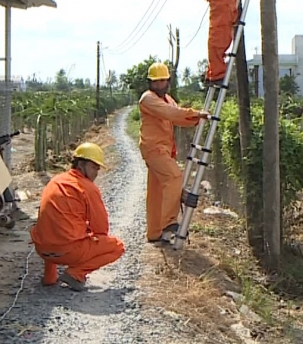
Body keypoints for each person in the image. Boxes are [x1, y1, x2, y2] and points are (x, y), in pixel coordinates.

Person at [30, 143, 124, 292]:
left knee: (54, 229)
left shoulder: (55, 181)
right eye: (94, 167)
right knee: (117, 247)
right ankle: (75, 274)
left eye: (98, 169)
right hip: (67, 253)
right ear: (81, 164)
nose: (96, 173)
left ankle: (49, 277)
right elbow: (101, 230)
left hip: (42, 249)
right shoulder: (87, 188)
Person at [138, 63, 209, 244]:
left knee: (156, 192)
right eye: (156, 82)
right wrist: (195, 114)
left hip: (165, 150)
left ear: (168, 81)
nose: (160, 85)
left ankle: (154, 233)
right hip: (154, 149)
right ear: (150, 83)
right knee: (174, 177)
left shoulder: (168, 99)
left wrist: (196, 120)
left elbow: (177, 118)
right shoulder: (148, 99)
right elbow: (172, 113)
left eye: (163, 81)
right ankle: (169, 222)